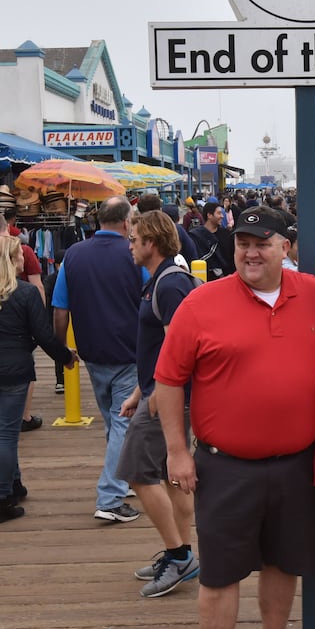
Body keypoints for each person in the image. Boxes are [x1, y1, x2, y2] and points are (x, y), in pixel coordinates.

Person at [153, 205, 315, 629]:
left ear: (286, 247)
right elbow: (169, 380)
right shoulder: (201, 302)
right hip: (224, 465)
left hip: (297, 464)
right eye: (242, 244)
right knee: (220, 573)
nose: (250, 253)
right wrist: (177, 451)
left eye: (262, 242)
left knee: (283, 562)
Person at [0, 237, 76, 525]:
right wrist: (66, 357)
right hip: (14, 372)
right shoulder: (26, 293)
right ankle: (1, 500)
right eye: (20, 256)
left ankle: (15, 484)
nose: (24, 260)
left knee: (6, 424)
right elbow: (44, 335)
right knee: (8, 434)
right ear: (11, 261)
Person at [117, 211, 200, 598]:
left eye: (134, 239)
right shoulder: (162, 281)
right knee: (173, 478)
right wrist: (139, 391)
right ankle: (182, 551)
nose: (130, 245)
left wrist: (156, 396)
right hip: (156, 392)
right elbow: (158, 350)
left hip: (166, 397)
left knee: (136, 471)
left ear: (151, 243)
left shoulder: (168, 285)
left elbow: (178, 350)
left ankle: (178, 554)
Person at [51, 196, 143, 523]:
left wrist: (61, 351)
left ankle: (121, 477)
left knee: (113, 422)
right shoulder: (135, 255)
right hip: (130, 351)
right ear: (126, 223)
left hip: (92, 352)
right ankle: (110, 497)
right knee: (122, 422)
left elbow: (60, 310)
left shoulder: (74, 255)